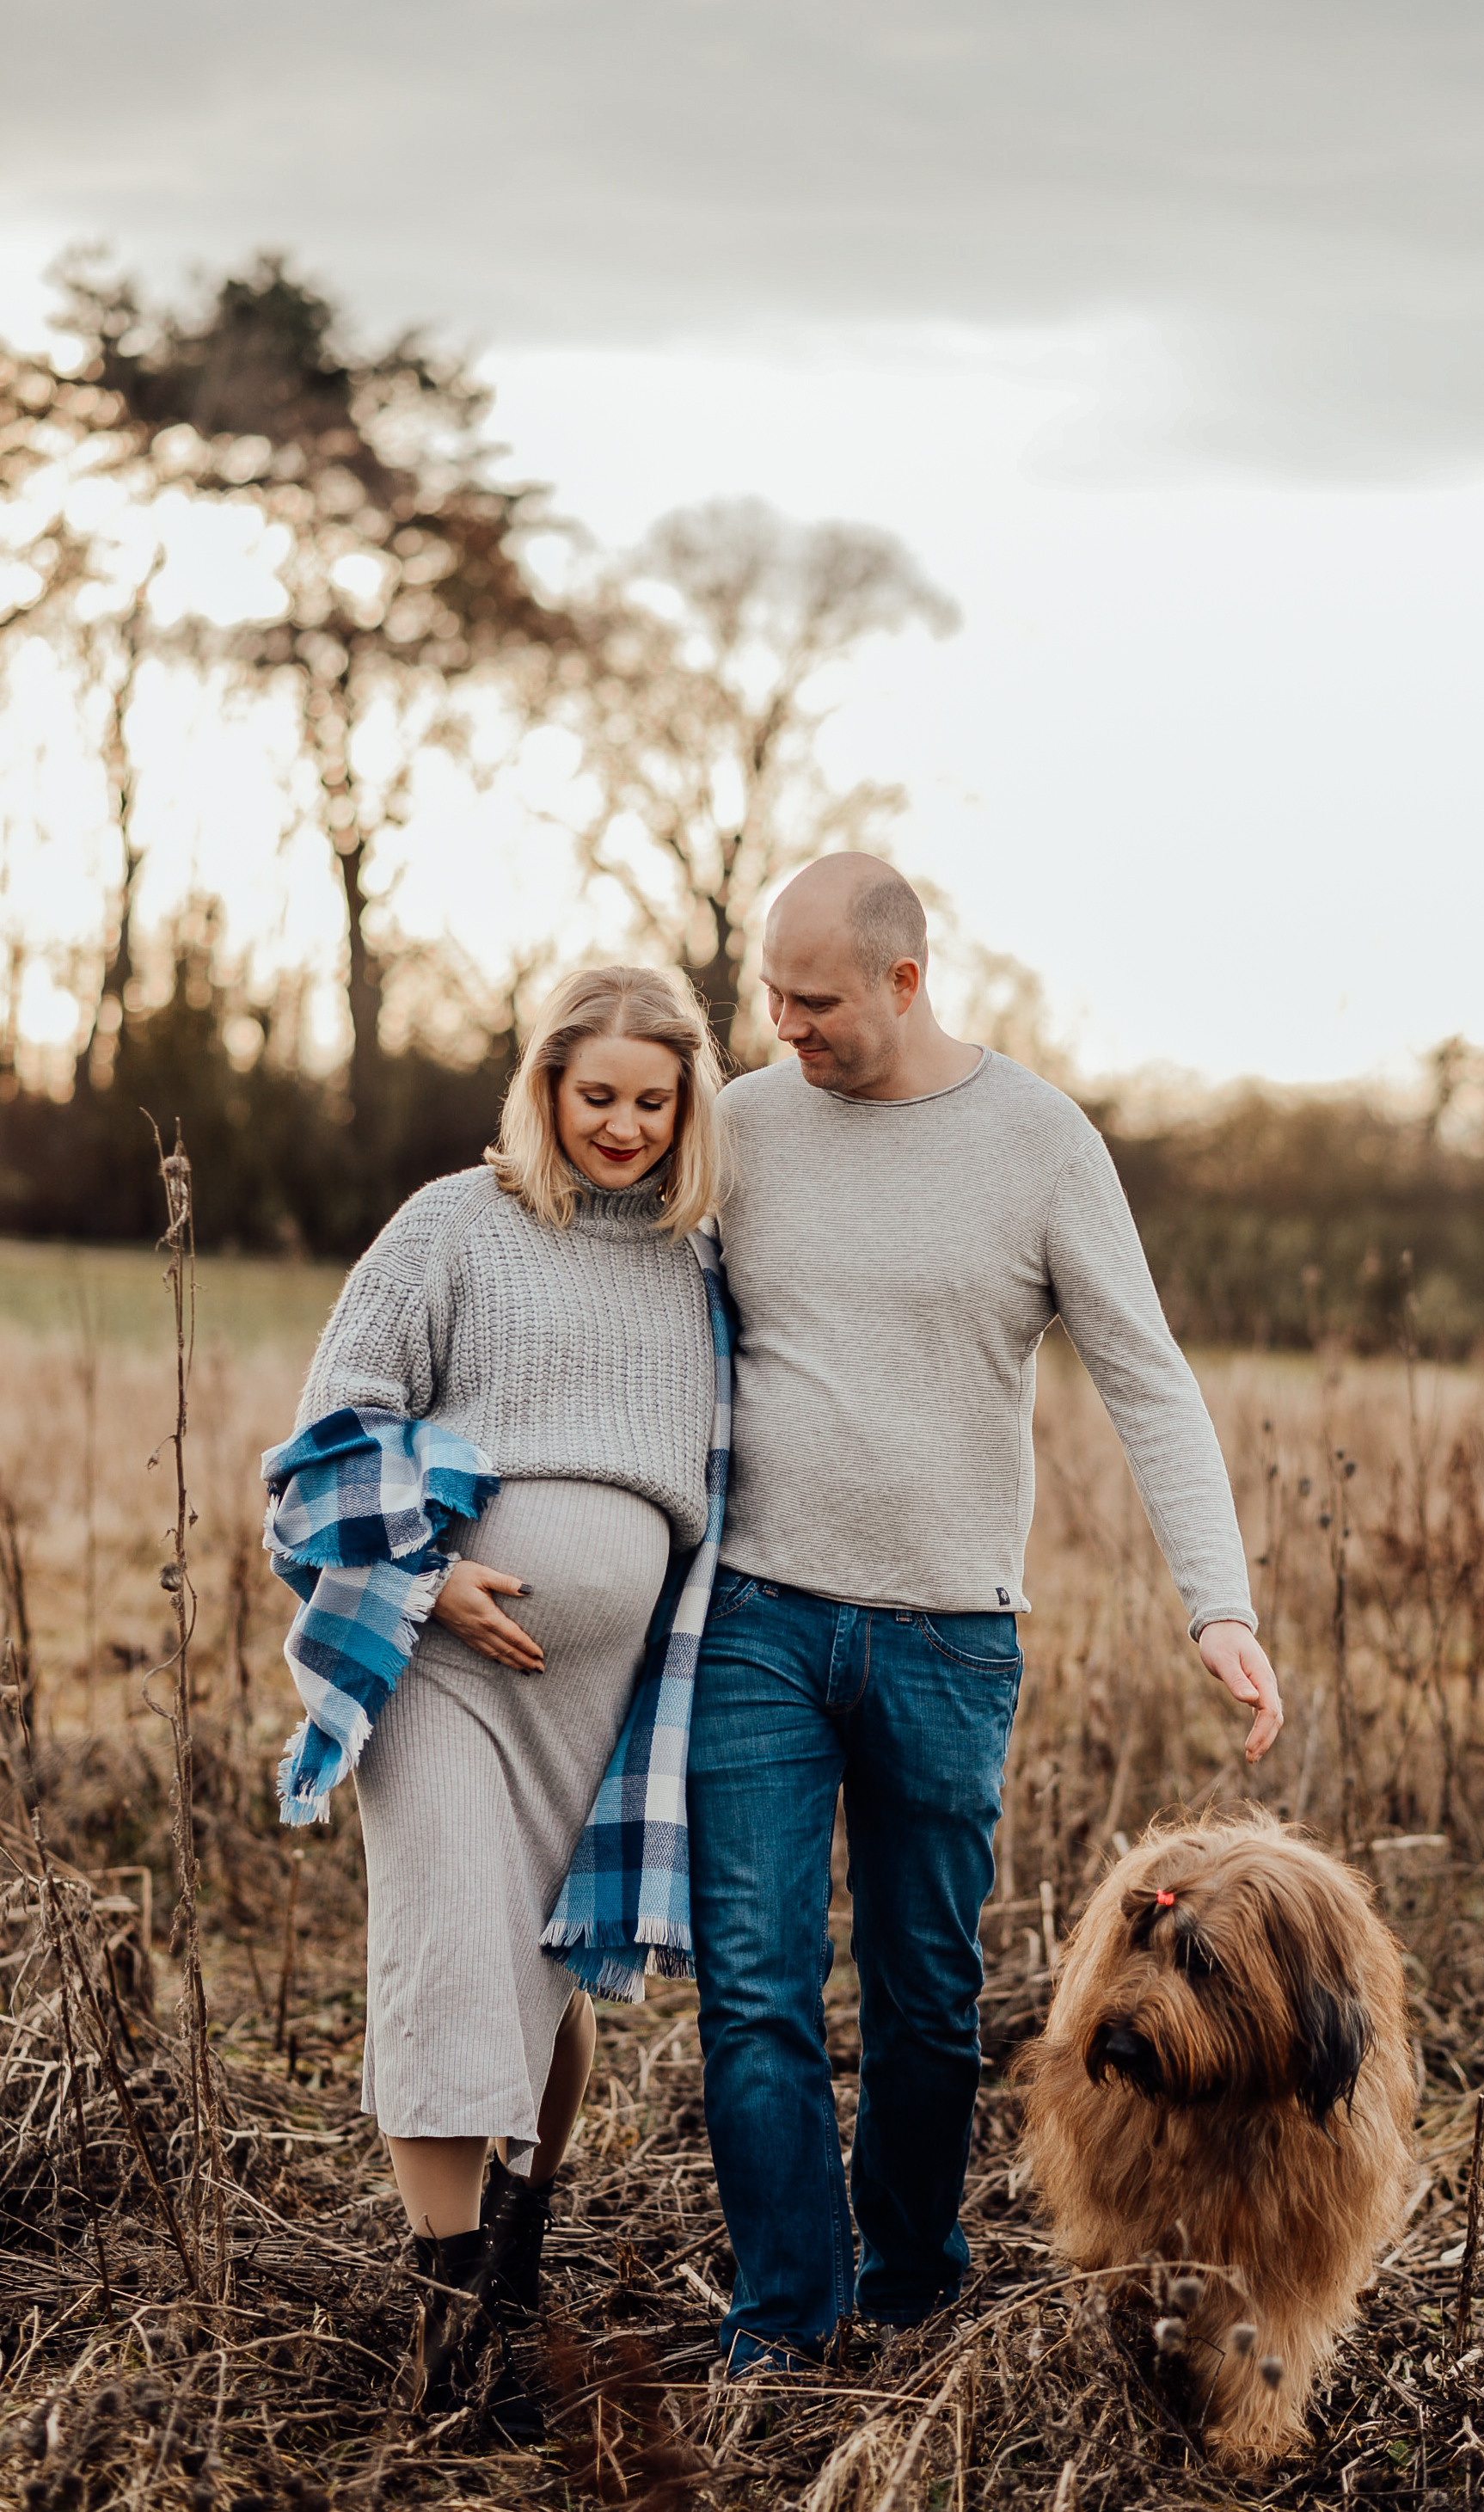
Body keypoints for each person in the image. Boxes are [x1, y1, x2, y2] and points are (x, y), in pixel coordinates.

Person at [686, 853, 1284, 2371]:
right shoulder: (743, 1125)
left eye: (812, 999)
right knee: (755, 1986)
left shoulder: (1036, 1141)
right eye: (768, 992)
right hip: (758, 1612)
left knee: (927, 1998)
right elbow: (614, 1290)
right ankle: (786, 2321)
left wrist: (1219, 1601)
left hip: (950, 1638)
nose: (781, 1024)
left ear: (904, 979)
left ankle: (906, 2281)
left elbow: (1147, 1372)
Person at [280, 964, 726, 2418]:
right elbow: (330, 1431)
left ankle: (519, 2260)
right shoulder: (453, 1224)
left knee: (544, 1961)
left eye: (654, 1102)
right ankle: (448, 2316)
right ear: (543, 1085)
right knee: (448, 1944)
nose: (624, 1127)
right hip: (447, 1662)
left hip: (604, 1695)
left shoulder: (695, 1256)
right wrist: (432, 1575)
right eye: (596, 1094)